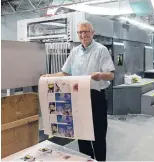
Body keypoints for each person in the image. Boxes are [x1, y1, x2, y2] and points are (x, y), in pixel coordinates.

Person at [42, 20, 115, 161]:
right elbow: (65, 73)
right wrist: (49, 76)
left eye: (86, 31)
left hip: (95, 97)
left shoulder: (101, 50)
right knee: (81, 133)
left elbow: (111, 74)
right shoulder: (75, 52)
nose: (83, 34)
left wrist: (100, 75)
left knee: (98, 134)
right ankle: (86, 159)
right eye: (80, 32)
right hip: (77, 97)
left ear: (92, 33)